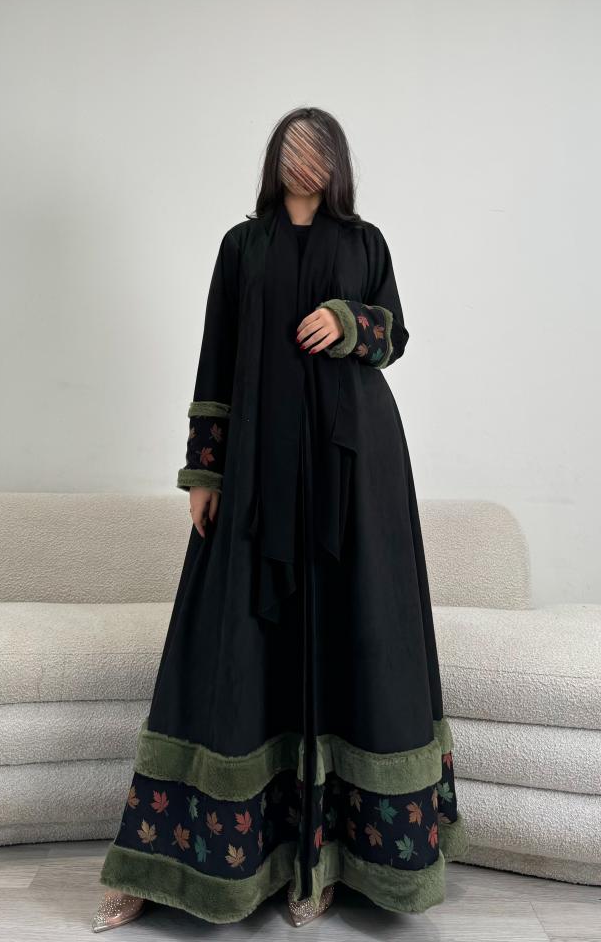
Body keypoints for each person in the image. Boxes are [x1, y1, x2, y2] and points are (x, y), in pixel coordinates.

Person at [92, 106, 467, 932]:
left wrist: (349, 322)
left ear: (336, 162)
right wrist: (205, 470)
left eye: (317, 150)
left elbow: (394, 334)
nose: (304, 162)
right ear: (274, 159)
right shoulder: (242, 247)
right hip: (258, 472)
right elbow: (217, 355)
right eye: (292, 149)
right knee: (227, 646)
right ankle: (183, 861)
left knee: (358, 642)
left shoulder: (365, 243)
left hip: (355, 473)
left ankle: (336, 862)